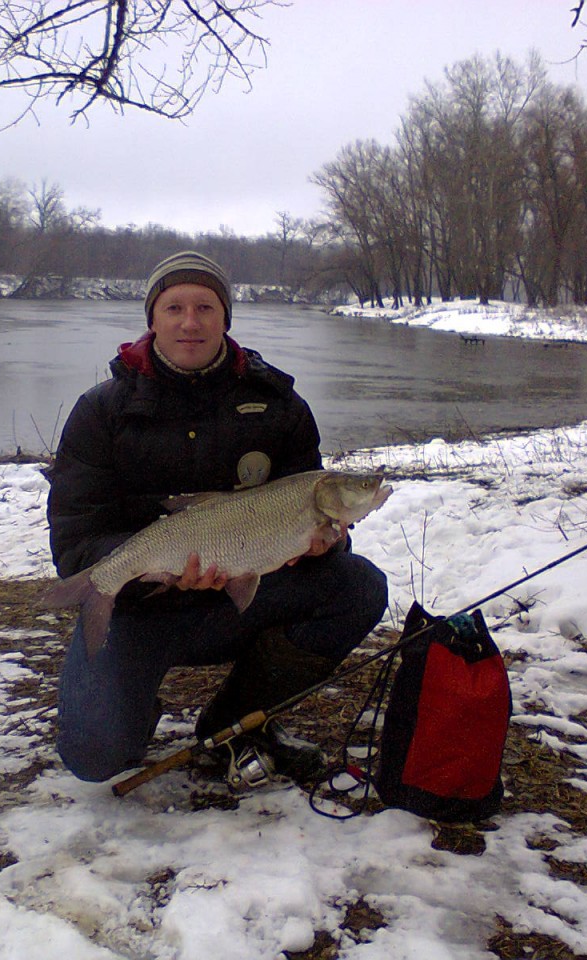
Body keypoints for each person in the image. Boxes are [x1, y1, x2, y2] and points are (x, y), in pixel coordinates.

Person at [46, 250, 389, 785]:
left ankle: (234, 720)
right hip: (142, 609)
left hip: (242, 598)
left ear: (225, 318)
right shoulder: (102, 411)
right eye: (174, 307)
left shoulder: (277, 403)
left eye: (205, 307)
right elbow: (75, 541)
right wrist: (147, 574)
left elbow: (317, 517)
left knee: (358, 585)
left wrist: (328, 543)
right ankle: (132, 706)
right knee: (96, 757)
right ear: (152, 319)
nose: (190, 322)